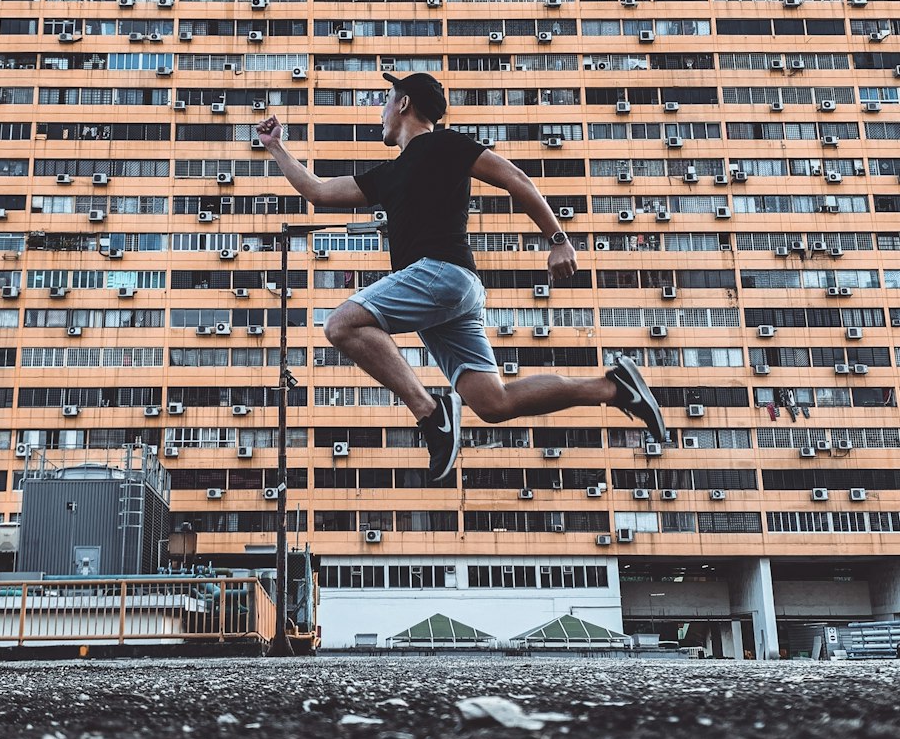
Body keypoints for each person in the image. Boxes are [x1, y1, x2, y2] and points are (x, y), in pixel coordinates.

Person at [255, 70, 665, 483]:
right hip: (452, 294)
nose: (379, 111)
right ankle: (613, 388)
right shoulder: (389, 175)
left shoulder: (444, 144)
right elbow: (319, 191)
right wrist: (277, 148)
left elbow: (515, 178)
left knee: (341, 323)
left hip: (441, 274)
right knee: (492, 403)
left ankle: (431, 414)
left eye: (385, 99)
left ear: (403, 104)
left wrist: (557, 238)